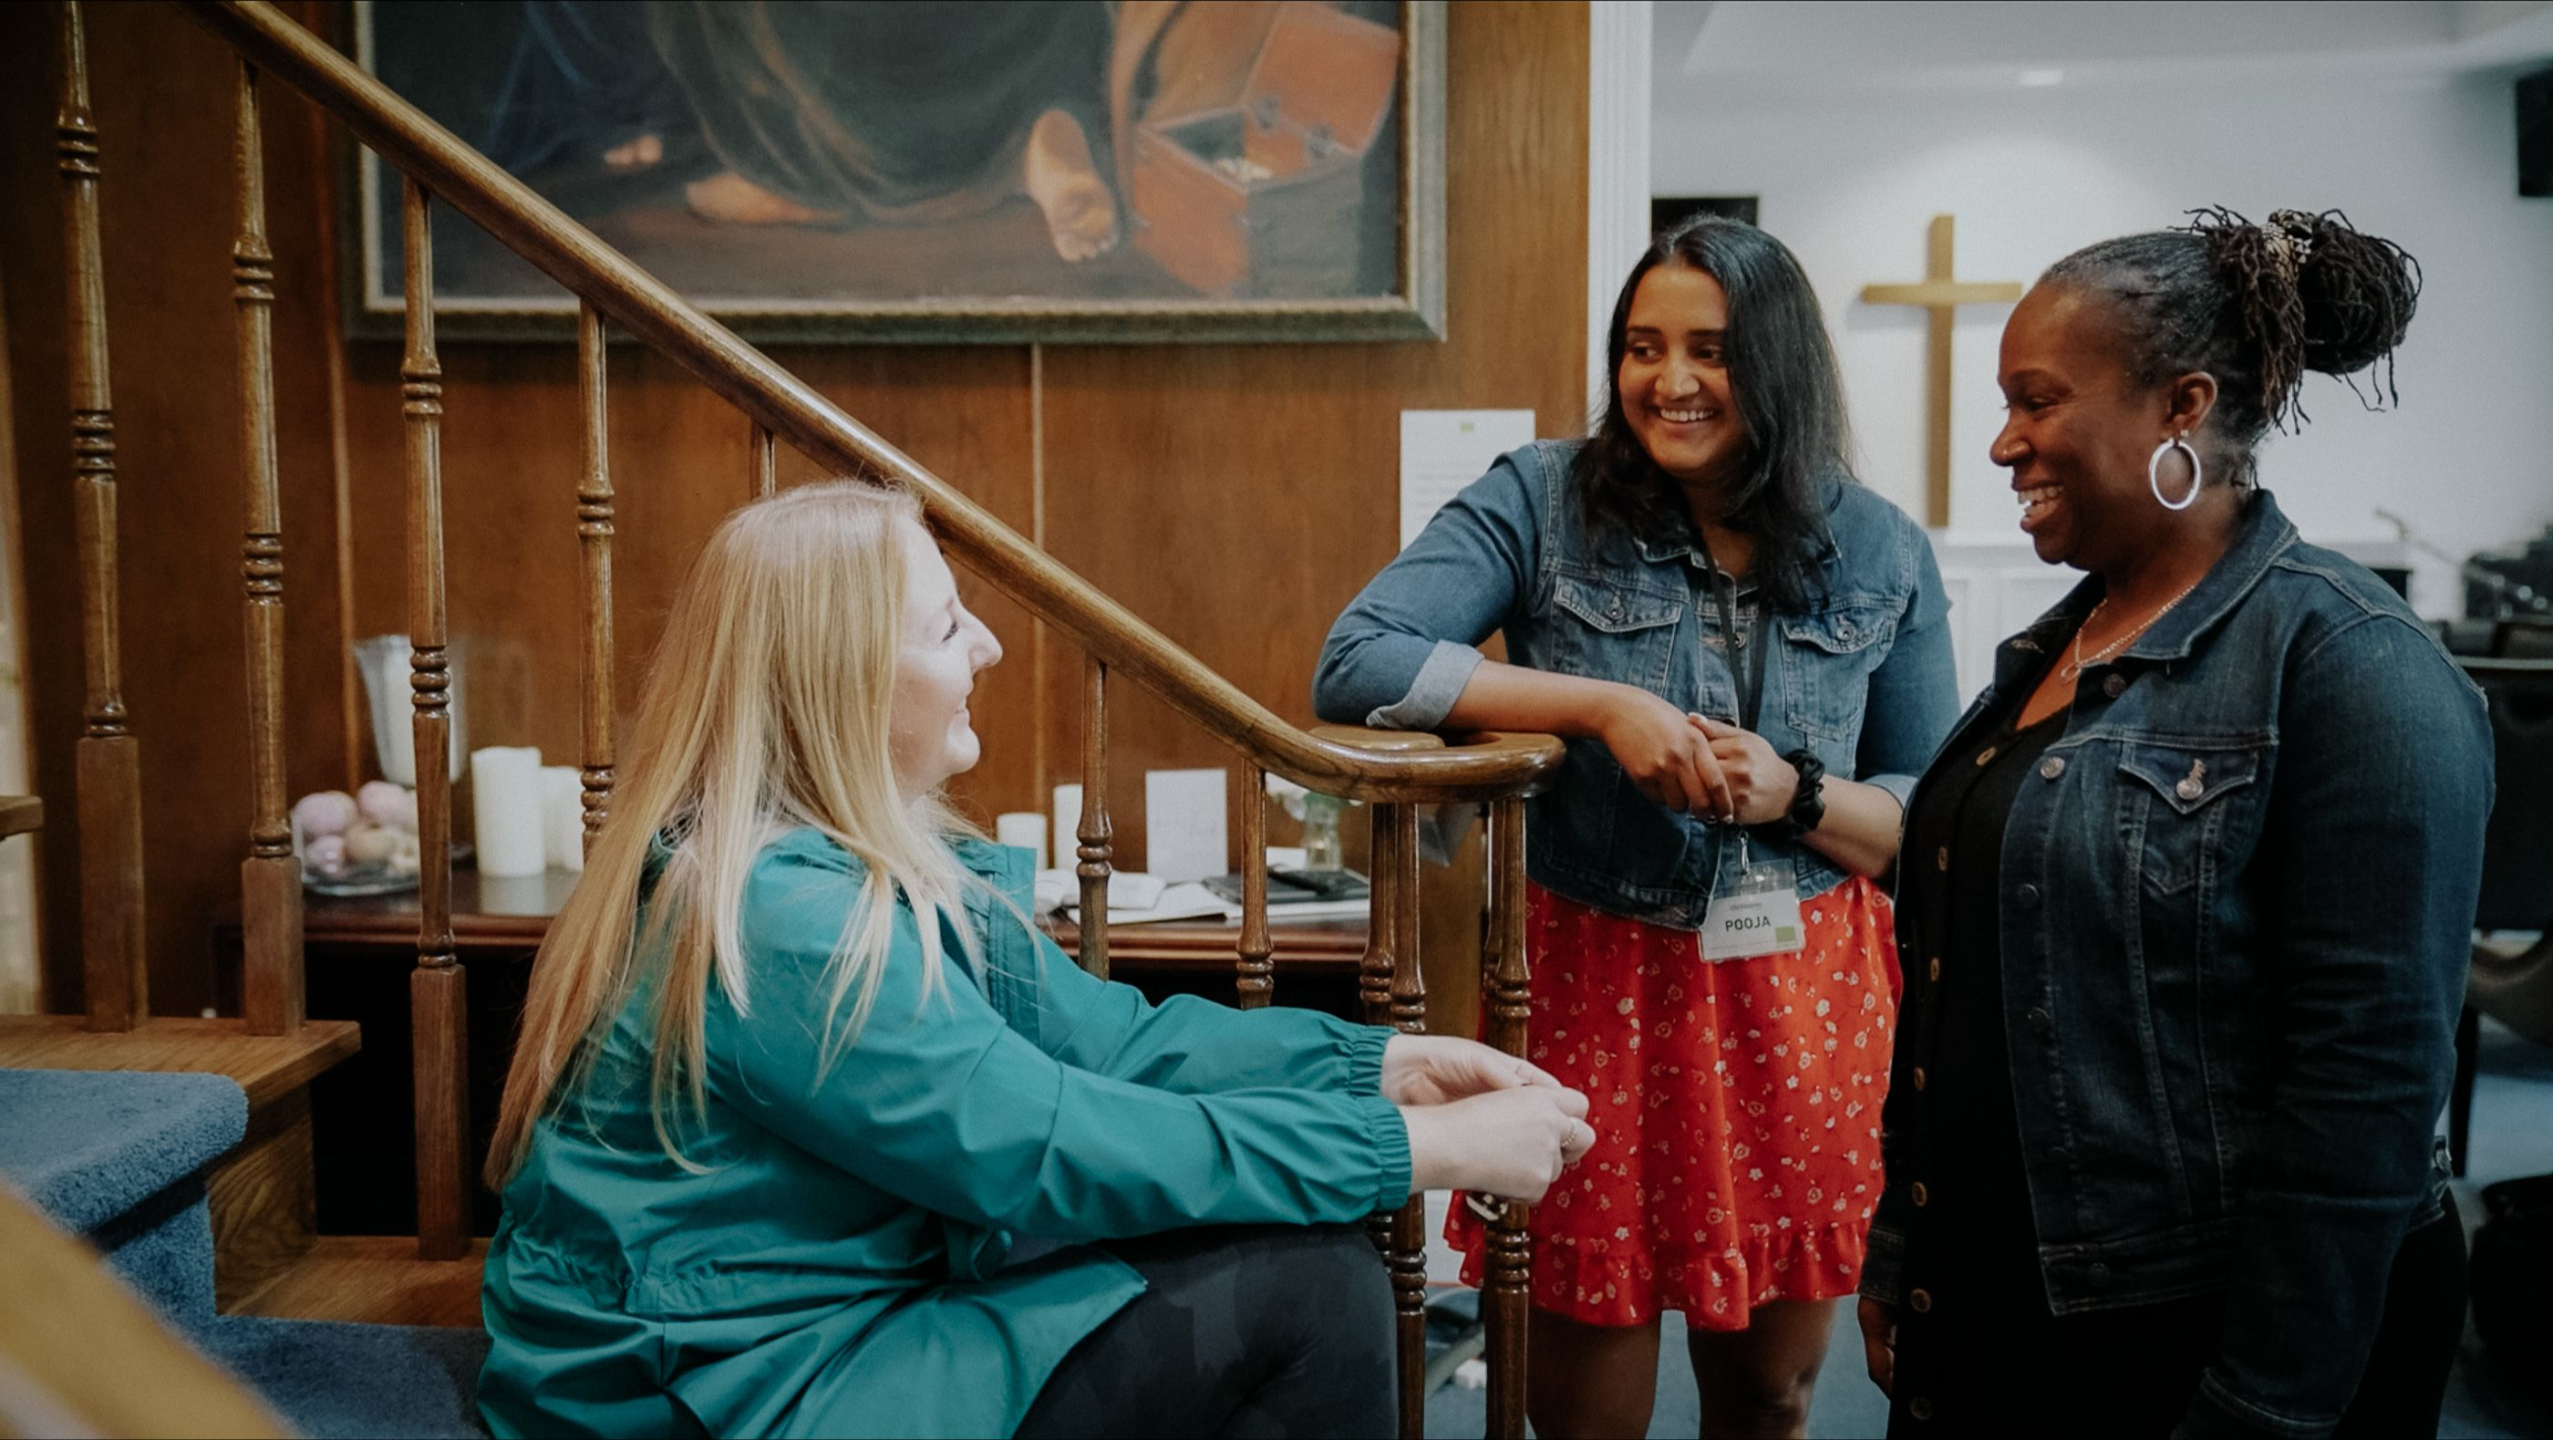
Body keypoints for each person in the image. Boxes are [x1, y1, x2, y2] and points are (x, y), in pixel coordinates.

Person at [476, 482, 1597, 1439]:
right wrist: (1414, 1148)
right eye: (944, 628)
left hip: (805, 1322)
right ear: (840, 678)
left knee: (1296, 1242)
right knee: (1312, 1288)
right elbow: (1049, 1145)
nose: (988, 646)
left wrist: (1381, 1069)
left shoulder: (868, 862)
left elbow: (1114, 1043)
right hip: (705, 1387)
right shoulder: (782, 919)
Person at [1315, 217, 1959, 1439]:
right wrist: (1600, 707)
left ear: (1778, 363)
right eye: (1642, 346)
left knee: (1770, 1398)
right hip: (1596, 987)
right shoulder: (1542, 499)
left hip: (1804, 1005)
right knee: (1587, 1411)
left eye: (1711, 349)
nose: (1670, 380)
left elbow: (1926, 814)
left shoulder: (1880, 545)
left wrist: (1796, 795)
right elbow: (1358, 659)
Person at [1854, 209, 2492, 1439]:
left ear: (2181, 408)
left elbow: (2366, 1088)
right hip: (2002, 1287)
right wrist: (1906, 1249)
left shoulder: (2356, 665)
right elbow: (1956, 999)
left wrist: (2262, 1404)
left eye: (2038, 401)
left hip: (2205, 1335)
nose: (2004, 442)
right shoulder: (2050, 650)